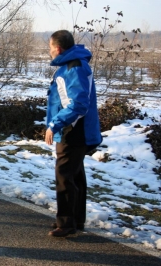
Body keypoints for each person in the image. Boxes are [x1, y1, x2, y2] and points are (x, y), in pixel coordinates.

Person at [45, 30, 102, 237]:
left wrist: (54, 125)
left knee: (65, 175)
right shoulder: (73, 65)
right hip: (77, 130)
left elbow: (77, 105)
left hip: (73, 131)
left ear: (58, 48)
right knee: (75, 175)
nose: (49, 51)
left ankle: (67, 224)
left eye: (50, 47)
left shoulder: (73, 68)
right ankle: (76, 220)